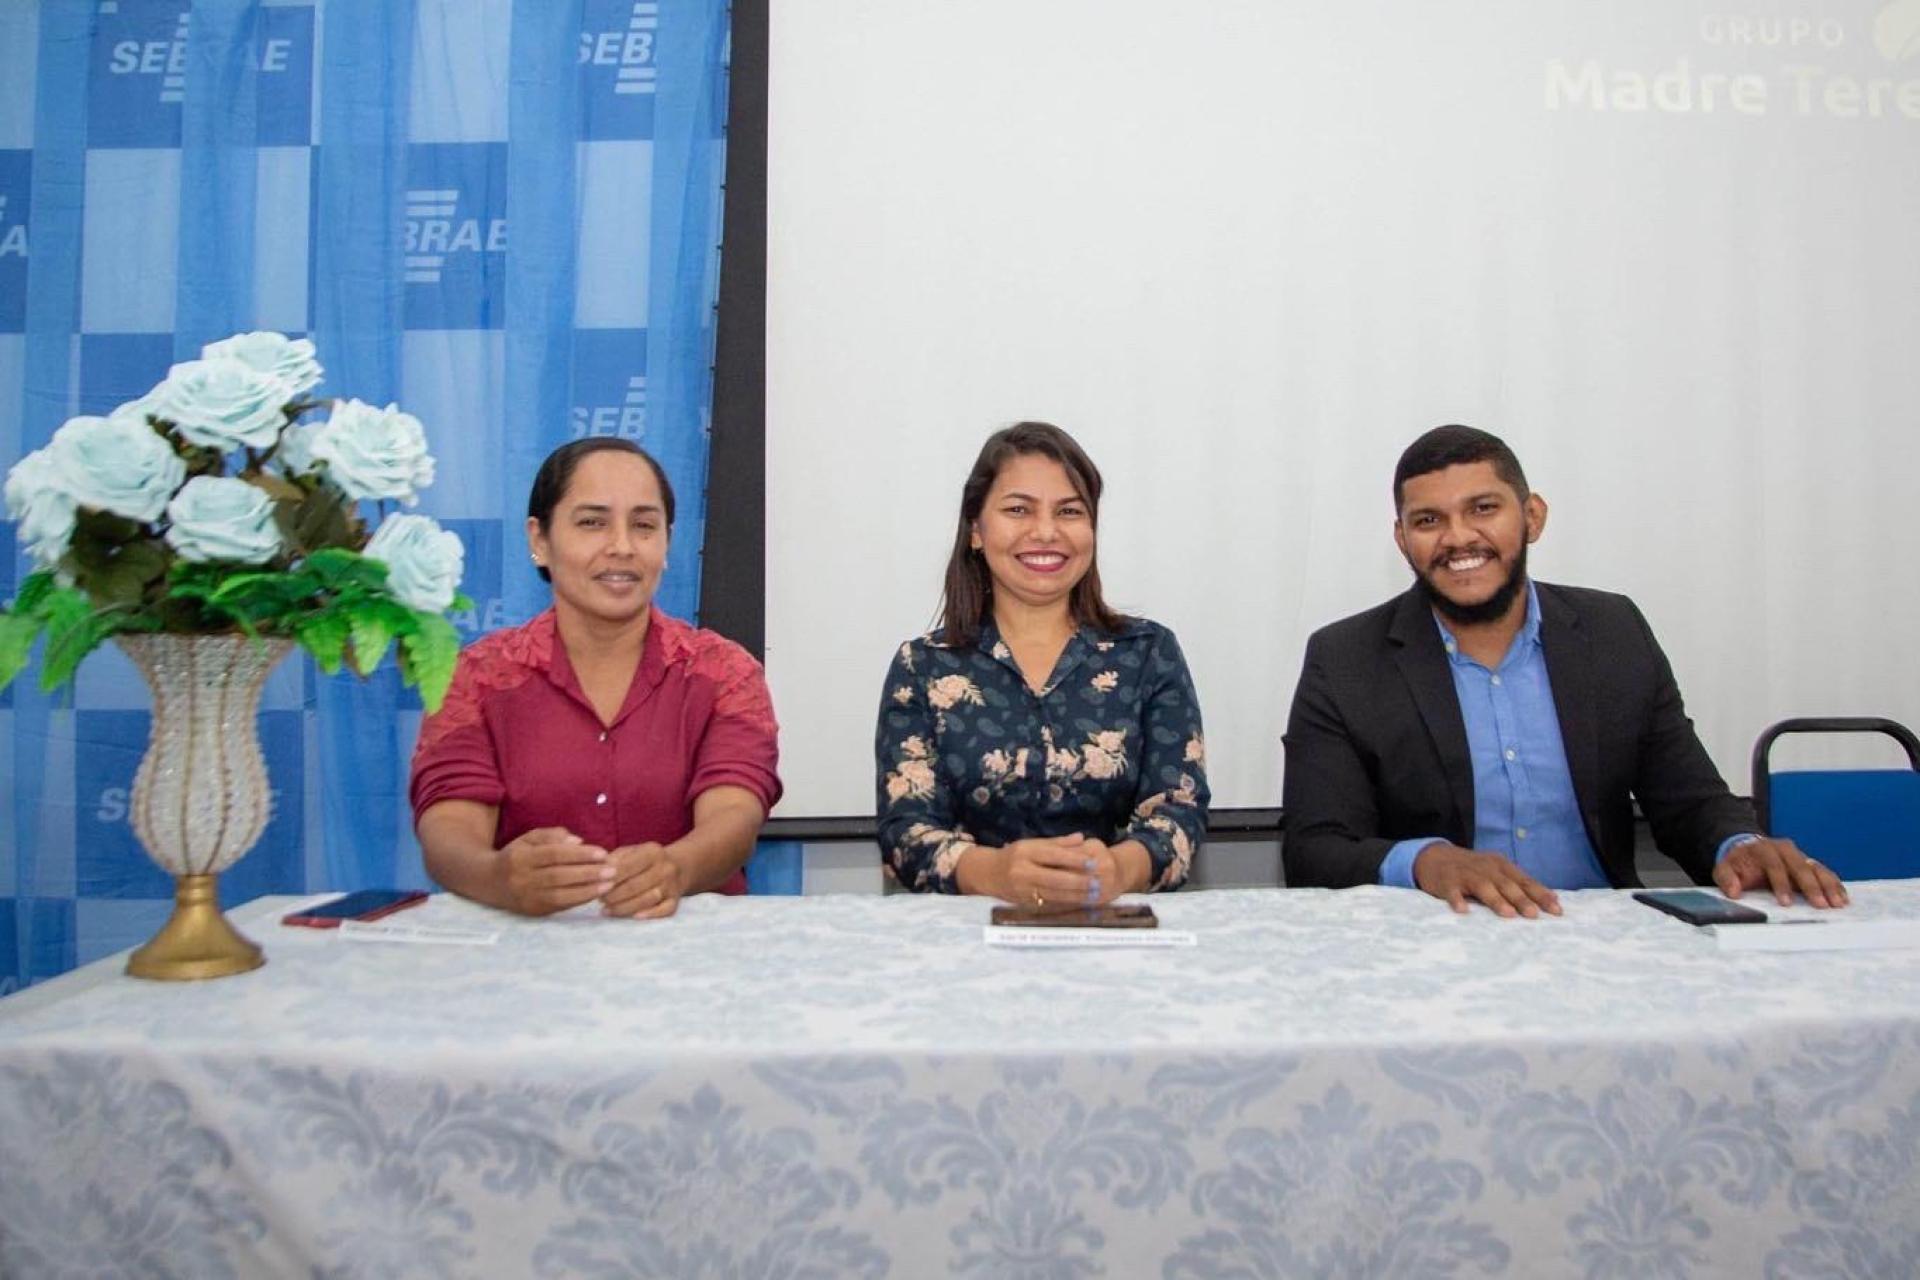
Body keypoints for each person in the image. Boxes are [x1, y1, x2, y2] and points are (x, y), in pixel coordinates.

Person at [1282, 424, 1847, 917]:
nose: (1458, 538)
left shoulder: (1613, 631)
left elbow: (1689, 801)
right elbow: (1315, 848)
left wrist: (1738, 845)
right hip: (1435, 941)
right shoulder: (1346, 658)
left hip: (1599, 938)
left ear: (1532, 517)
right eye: (1429, 520)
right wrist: (1426, 861)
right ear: (1403, 539)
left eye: (1483, 509)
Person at [410, 438, 780, 918]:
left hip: (689, 954)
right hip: (527, 956)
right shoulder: (476, 678)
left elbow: (735, 815)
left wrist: (677, 868)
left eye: (644, 526)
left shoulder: (724, 672)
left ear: (667, 544)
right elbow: (448, 826)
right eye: (592, 523)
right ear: (539, 540)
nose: (622, 547)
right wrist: (498, 876)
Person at [876, 421, 1208, 903]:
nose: (1047, 532)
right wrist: (995, 872)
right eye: (1018, 510)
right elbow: (905, 830)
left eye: (1069, 512)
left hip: (1113, 924)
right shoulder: (923, 666)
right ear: (976, 530)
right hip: (963, 933)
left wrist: (1114, 870)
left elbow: (1180, 810)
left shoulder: (1148, 653)